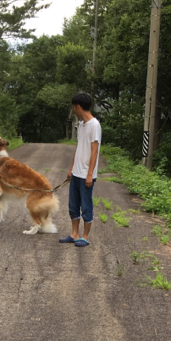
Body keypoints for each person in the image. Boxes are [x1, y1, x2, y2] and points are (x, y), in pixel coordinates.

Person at [59, 92, 102, 248]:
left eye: (73, 107)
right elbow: (78, 148)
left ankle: (85, 236)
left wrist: (90, 174)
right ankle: (74, 234)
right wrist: (71, 169)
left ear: (78, 107)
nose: (73, 110)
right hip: (76, 173)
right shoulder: (81, 125)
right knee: (73, 205)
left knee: (86, 205)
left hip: (86, 175)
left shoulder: (94, 125)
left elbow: (94, 151)